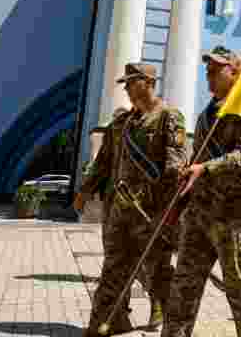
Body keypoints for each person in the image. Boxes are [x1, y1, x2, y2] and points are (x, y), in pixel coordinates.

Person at [83, 63, 188, 336]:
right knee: (113, 270)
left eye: (131, 82)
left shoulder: (169, 117)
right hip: (120, 213)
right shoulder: (122, 123)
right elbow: (103, 162)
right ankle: (104, 325)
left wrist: (167, 215)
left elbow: (175, 169)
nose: (127, 89)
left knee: (158, 275)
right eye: (126, 84)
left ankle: (176, 328)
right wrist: (84, 191)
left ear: (147, 82)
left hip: (150, 215)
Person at [163, 47, 241, 337]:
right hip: (200, 216)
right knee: (182, 291)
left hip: (233, 220)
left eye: (217, 69)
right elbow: (198, 157)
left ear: (235, 72)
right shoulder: (208, 113)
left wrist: (206, 168)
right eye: (208, 68)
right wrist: (183, 192)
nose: (209, 74)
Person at [74, 108, 162, 328]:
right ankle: (119, 315)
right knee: (115, 262)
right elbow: (101, 166)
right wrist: (85, 192)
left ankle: (157, 303)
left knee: (146, 263)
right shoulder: (114, 133)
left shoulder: (156, 127)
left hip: (142, 207)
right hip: (114, 207)